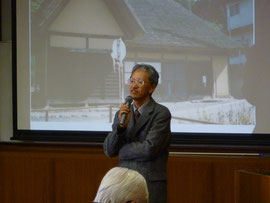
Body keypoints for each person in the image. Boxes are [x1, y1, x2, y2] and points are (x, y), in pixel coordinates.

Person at [104, 64, 172, 203]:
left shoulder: (161, 113)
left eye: (139, 82)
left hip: (149, 185)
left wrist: (122, 150)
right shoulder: (122, 113)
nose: (133, 86)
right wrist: (121, 128)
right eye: (132, 80)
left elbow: (149, 149)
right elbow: (110, 150)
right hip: (123, 185)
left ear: (152, 87)